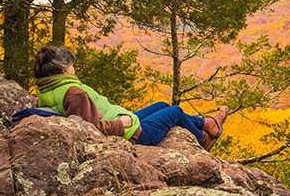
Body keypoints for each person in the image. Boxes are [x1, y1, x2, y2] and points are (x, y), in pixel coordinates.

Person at [32, 44, 227, 150]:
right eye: (72, 66)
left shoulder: (46, 92)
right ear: (65, 70)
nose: (74, 68)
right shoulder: (74, 93)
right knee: (175, 111)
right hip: (133, 134)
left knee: (161, 104)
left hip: (123, 122)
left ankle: (206, 123)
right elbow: (89, 130)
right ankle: (203, 139)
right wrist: (122, 124)